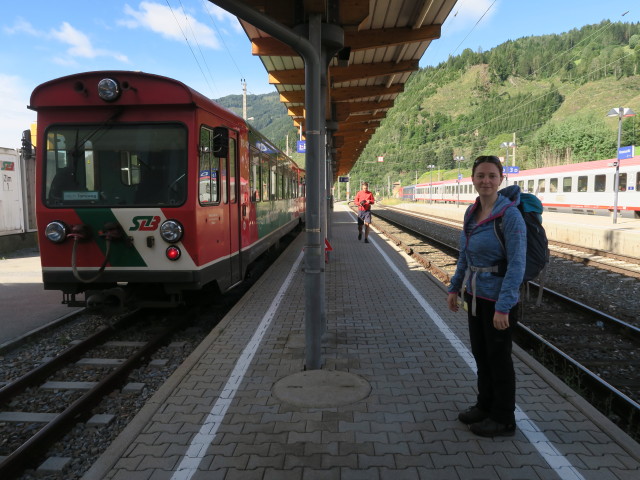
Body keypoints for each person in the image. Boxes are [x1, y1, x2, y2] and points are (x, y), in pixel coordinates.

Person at [446, 155, 526, 437]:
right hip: (476, 297)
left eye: (492, 175)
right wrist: (455, 287)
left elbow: (517, 263)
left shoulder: (510, 215)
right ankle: (485, 405)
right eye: (481, 175)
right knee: (481, 355)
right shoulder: (472, 212)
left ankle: (504, 418)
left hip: (499, 301)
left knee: (499, 359)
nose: (486, 181)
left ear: (501, 179)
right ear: (473, 178)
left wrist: (504, 307)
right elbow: (464, 255)